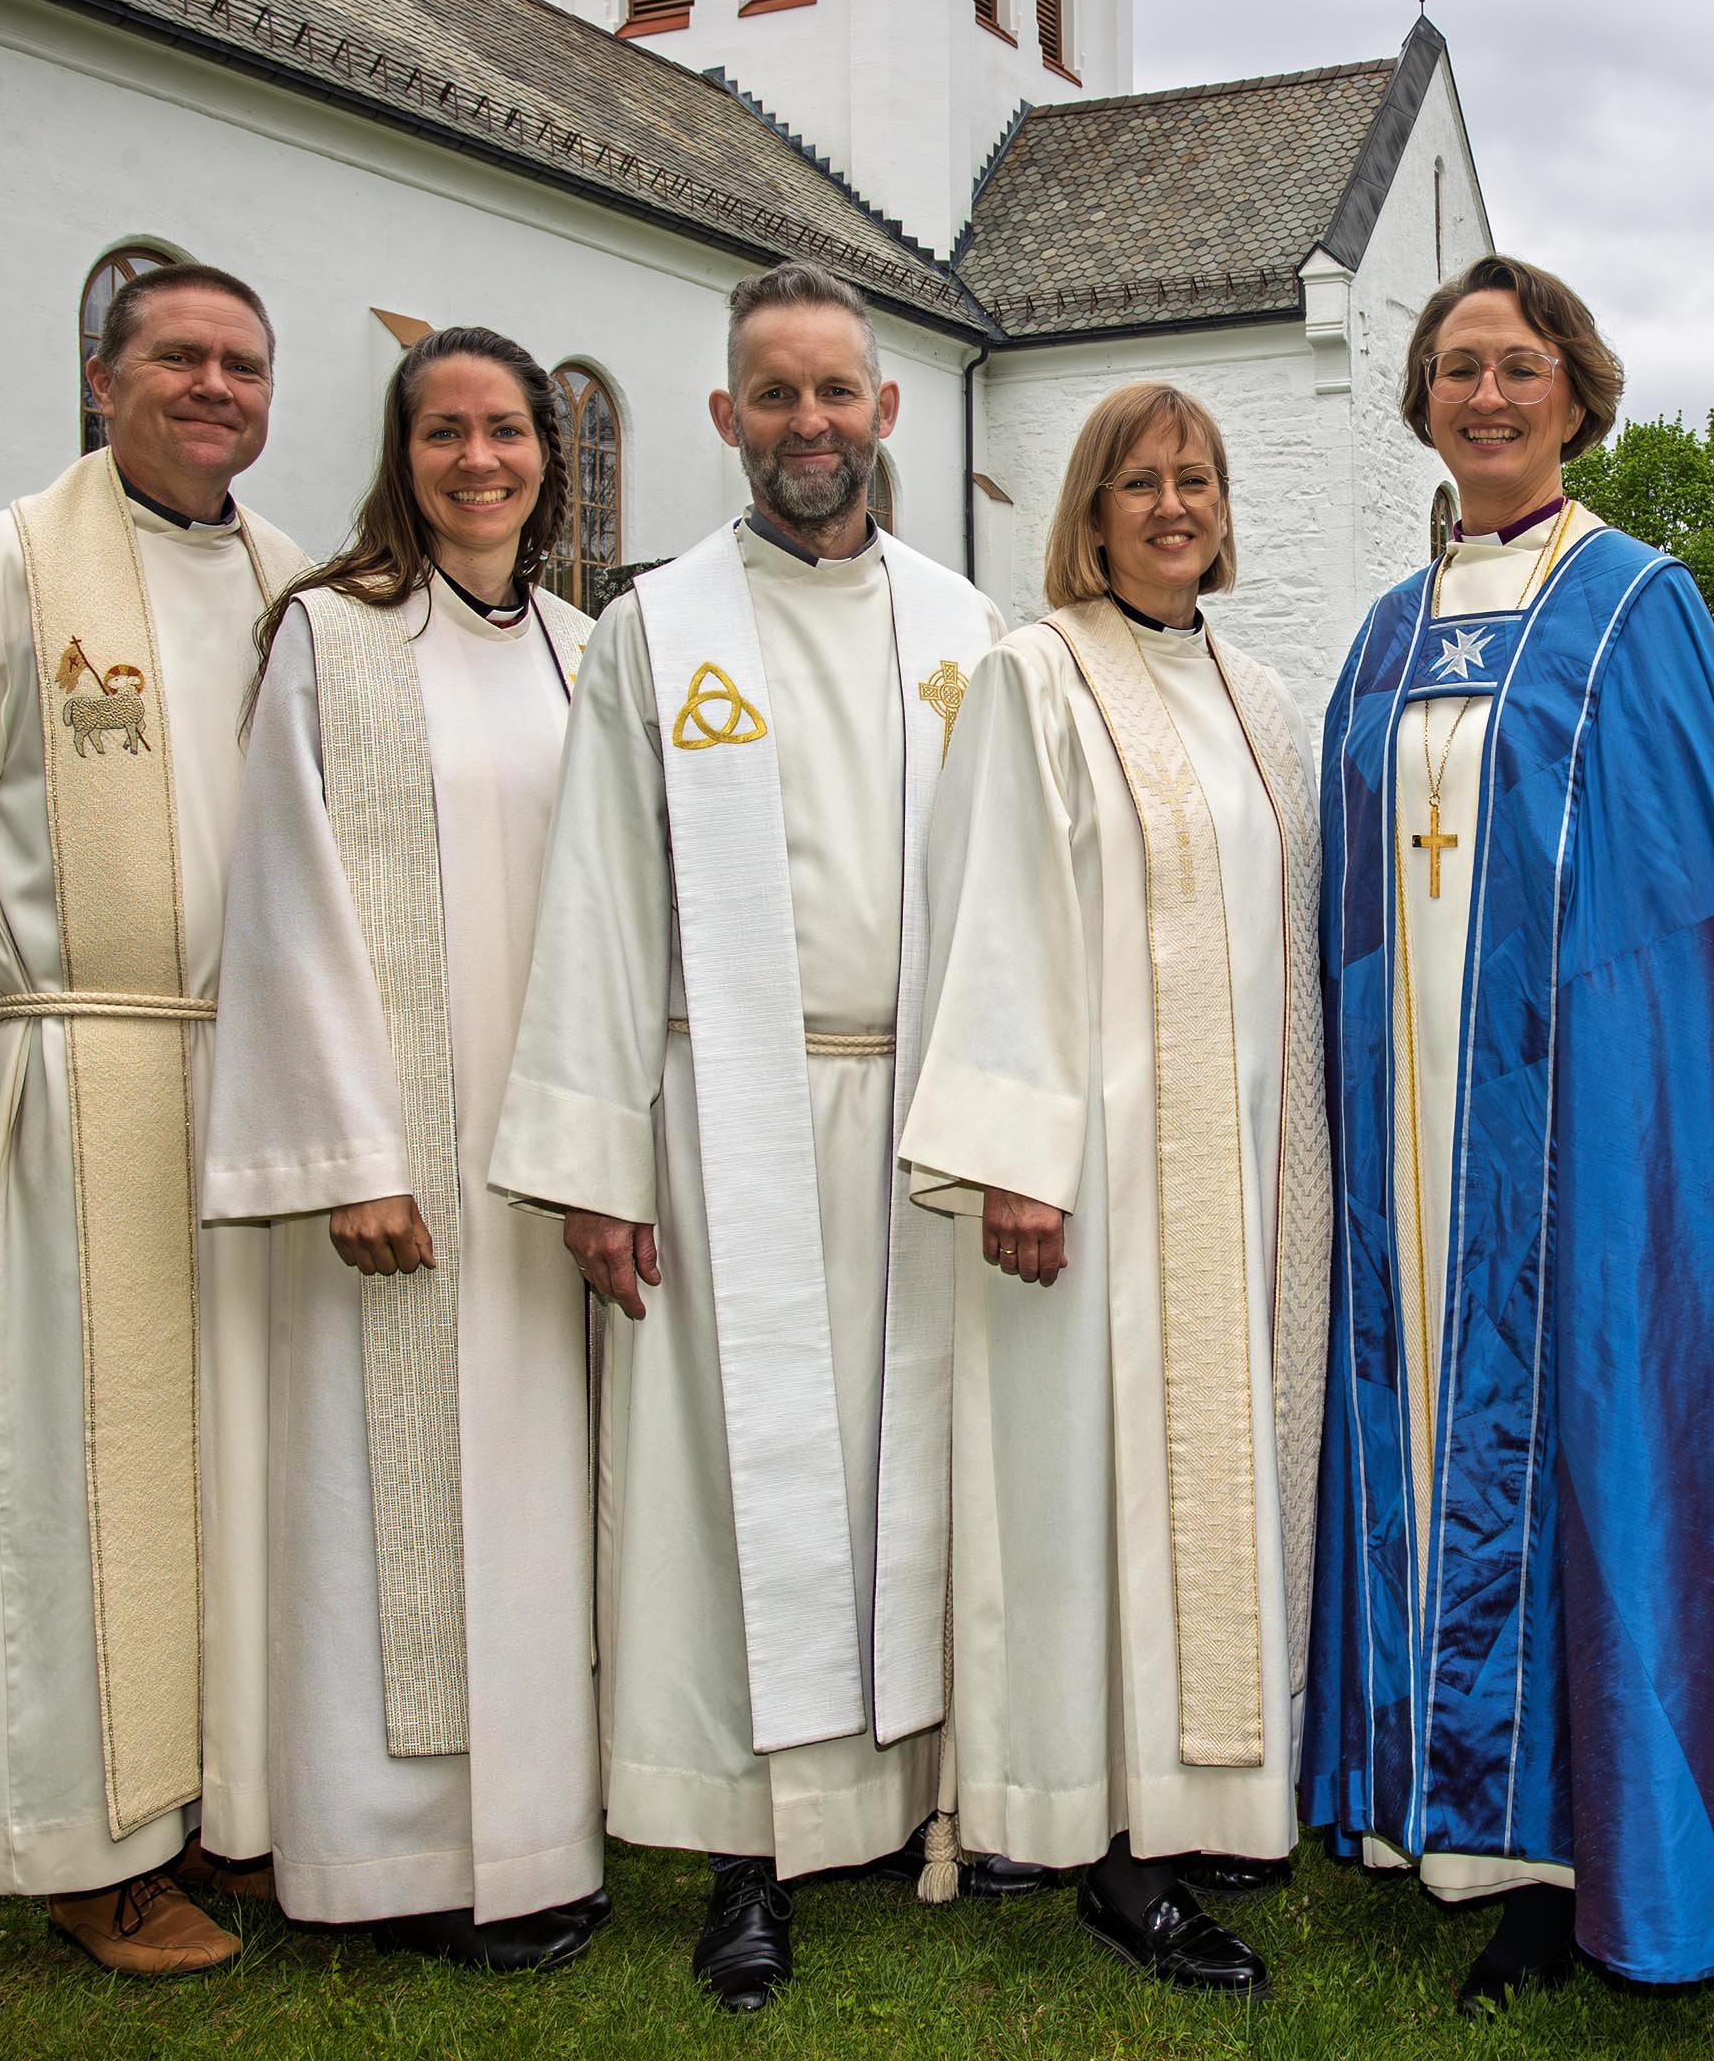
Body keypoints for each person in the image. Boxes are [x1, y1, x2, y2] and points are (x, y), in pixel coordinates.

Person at [1300, 255, 1714, 2014]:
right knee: (1420, 1453)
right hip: (1409, 1152)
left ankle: (1579, 1847)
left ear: (1578, 392)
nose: (1485, 397)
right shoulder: (1386, 628)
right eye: (1456, 369)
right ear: (1421, 399)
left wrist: (1634, 1134)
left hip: (1583, 1148)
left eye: (1519, 367)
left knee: (1590, 1464)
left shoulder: (1640, 606)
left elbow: (1704, 907)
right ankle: (1429, 1809)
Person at [486, 261, 1004, 2013]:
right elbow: (605, 901)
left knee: (912, 1470)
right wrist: (599, 1160)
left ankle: (937, 1794)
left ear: (886, 410)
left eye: (834, 393)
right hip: (728, 1122)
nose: (807, 426)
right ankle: (742, 1852)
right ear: (725, 417)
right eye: (772, 396)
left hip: (918, 1115)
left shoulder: (966, 634)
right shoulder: (657, 629)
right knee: (729, 1492)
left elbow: (1012, 908)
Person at [0, 262, 309, 1973]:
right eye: (177, 358)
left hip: (258, 1077)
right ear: (101, 380)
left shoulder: (288, 586)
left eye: (242, 366)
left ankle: (233, 1809)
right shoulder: (5, 567)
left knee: (247, 1461)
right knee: (82, 1469)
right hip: (91, 1069)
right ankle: (85, 1841)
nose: (213, 388)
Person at [900, 383, 1326, 1997]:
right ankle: (1107, 1837)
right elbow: (994, 912)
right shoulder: (1036, 678)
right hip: (1100, 1181)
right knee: (1099, 1502)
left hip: (1249, 1169)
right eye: (1140, 483)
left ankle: (1211, 1793)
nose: (1173, 506)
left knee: (1217, 1489)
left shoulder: (1255, 690)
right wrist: (1021, 1158)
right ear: (1086, 510)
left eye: (1197, 479)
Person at [197, 328, 607, 1970]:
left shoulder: (589, 652)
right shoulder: (333, 638)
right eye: (444, 433)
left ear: (547, 460)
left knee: (545, 1503)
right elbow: (283, 898)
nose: (478, 461)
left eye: (506, 432)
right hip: (408, 1167)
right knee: (394, 1505)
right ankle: (394, 1862)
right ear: (402, 455)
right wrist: (355, 1149)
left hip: (549, 1156)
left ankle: (543, 1839)